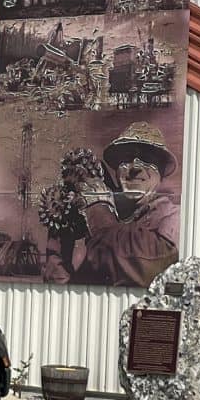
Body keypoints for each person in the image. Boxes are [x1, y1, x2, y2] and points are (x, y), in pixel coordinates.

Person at [72, 121, 180, 287]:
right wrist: (62, 231)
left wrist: (97, 209)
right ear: (116, 171)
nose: (135, 167)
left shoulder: (175, 219)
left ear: (161, 171)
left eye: (147, 159)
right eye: (127, 158)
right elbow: (68, 284)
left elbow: (140, 262)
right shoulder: (113, 218)